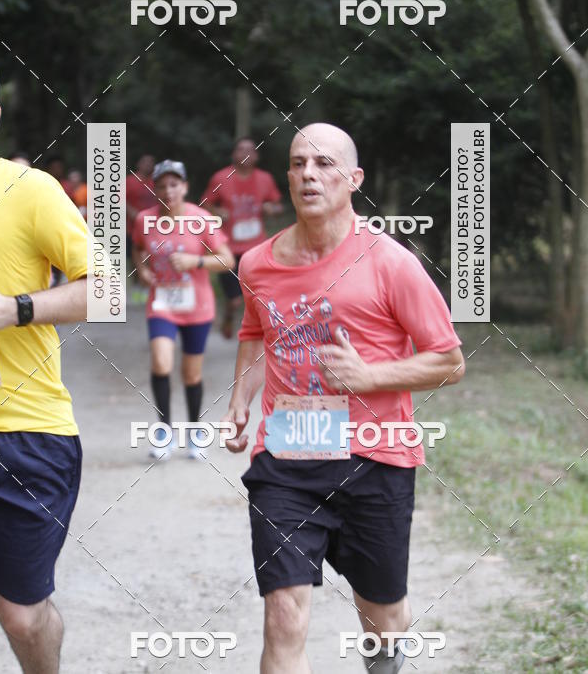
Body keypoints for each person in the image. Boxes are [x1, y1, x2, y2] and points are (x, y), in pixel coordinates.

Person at [223, 122, 465, 673]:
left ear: (353, 178)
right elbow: (257, 333)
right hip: (286, 457)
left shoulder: (391, 263)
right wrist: (240, 398)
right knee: (284, 615)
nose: (309, 173)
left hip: (374, 458)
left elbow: (450, 361)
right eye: (298, 162)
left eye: (325, 163)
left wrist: (368, 375)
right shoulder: (257, 263)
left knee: (382, 616)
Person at [0, 63, 89, 673]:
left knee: (22, 613)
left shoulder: (29, 190)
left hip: (23, 432)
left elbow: (104, 289)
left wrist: (16, 309)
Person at [132, 160, 234, 460]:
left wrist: (196, 262)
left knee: (191, 374)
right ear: (155, 189)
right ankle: (164, 433)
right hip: (162, 303)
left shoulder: (202, 219)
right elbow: (137, 247)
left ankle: (194, 431)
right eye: (162, 185)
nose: (168, 191)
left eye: (174, 185)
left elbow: (228, 259)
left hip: (197, 306)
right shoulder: (144, 220)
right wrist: (142, 269)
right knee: (161, 363)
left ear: (185, 187)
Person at [201, 137, 283, 339]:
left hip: (256, 248)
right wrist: (217, 210)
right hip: (228, 249)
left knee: (258, 294)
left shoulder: (265, 179)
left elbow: (278, 205)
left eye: (250, 150)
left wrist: (271, 208)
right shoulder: (220, 178)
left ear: (256, 155)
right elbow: (204, 204)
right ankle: (229, 316)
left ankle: (257, 332)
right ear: (234, 154)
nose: (245, 153)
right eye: (241, 149)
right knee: (235, 300)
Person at [126, 153, 155, 256]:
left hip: (152, 228)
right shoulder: (130, 181)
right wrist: (132, 212)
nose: (148, 165)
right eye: (145, 162)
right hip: (131, 229)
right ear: (139, 164)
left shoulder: (156, 182)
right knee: (134, 258)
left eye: (151, 163)